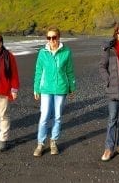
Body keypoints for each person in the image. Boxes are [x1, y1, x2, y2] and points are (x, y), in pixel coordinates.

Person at [33, 26, 76, 157]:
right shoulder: (42, 53)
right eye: (49, 37)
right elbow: (38, 71)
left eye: (54, 37)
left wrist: (72, 88)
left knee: (57, 116)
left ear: (58, 38)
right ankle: (40, 144)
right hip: (45, 88)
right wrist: (36, 88)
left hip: (61, 89)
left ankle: (53, 142)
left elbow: (70, 71)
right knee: (44, 116)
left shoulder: (66, 52)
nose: (51, 40)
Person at [99, 21, 119, 161]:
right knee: (112, 119)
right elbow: (102, 67)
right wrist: (108, 81)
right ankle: (109, 148)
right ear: (116, 33)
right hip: (114, 89)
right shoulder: (110, 48)